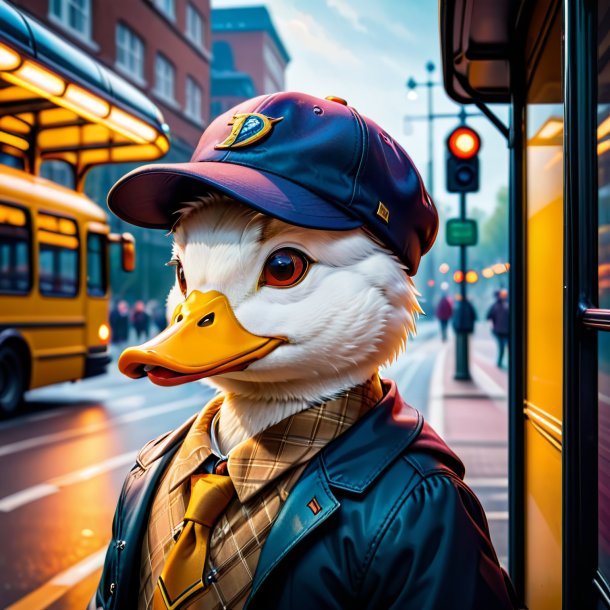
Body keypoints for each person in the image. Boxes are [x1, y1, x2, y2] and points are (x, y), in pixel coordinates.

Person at [90, 92, 517, 610]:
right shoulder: (152, 468)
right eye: (185, 273)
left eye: (283, 267)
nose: (188, 314)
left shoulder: (420, 510)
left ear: (384, 278)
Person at [487, 288, 510, 368]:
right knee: (501, 348)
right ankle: (499, 362)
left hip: (507, 331)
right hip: (499, 331)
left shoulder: (508, 304)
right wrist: (493, 327)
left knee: (508, 348)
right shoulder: (495, 306)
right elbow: (489, 317)